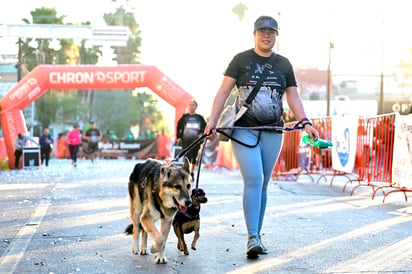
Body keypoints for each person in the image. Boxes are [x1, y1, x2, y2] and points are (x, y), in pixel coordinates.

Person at [205, 15, 320, 259]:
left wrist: (306, 122)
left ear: (276, 35)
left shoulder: (284, 64)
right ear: (254, 34)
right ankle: (252, 237)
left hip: (273, 131)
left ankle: (257, 233)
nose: (266, 35)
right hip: (244, 130)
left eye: (271, 31)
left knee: (264, 182)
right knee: (254, 179)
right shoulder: (241, 60)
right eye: (262, 31)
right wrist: (212, 122)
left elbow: (293, 97)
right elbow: (223, 91)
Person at [176, 99, 207, 180]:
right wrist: (178, 137)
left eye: (193, 105)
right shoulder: (184, 117)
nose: (191, 106)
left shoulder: (200, 118)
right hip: (186, 141)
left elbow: (205, 127)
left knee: (194, 158)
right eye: (189, 104)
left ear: (196, 106)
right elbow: (178, 127)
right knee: (187, 157)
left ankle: (192, 172)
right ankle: (187, 173)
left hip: (196, 141)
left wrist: (201, 133)